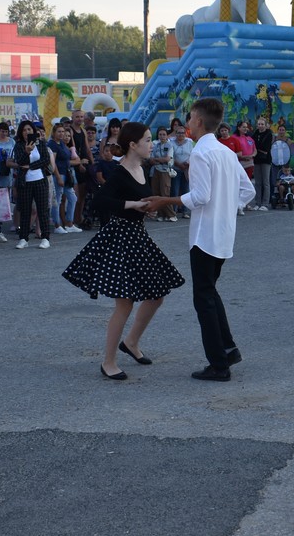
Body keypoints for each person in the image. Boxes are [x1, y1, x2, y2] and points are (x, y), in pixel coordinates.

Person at [143, 97, 255, 381]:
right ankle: (227, 350)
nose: (187, 123)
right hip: (223, 233)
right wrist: (228, 209)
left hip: (205, 236)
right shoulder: (226, 153)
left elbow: (201, 197)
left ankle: (219, 364)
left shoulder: (203, 153)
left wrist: (163, 200)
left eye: (190, 118)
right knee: (210, 292)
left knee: (203, 297)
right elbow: (247, 191)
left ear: (200, 122)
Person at [62, 122, 186, 381]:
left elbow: (141, 200)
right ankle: (108, 361)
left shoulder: (143, 168)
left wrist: (147, 207)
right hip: (120, 238)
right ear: (133, 144)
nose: (152, 144)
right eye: (148, 140)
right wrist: (133, 204)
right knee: (125, 303)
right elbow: (100, 201)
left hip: (138, 236)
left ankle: (130, 342)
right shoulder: (119, 171)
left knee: (157, 295)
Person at [12, 120, 53, 249]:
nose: (26, 132)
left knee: (42, 210)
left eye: (29, 130)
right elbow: (19, 162)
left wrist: (30, 166)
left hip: (40, 180)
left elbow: (46, 160)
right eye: (24, 130)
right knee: (25, 210)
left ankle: (45, 237)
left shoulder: (40, 143)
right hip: (25, 182)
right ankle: (23, 238)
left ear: (33, 131)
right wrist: (27, 151)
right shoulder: (19, 145)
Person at [148, 127, 177, 221]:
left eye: (164, 134)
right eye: (160, 134)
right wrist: (159, 160)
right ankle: (161, 214)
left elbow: (167, 159)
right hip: (155, 171)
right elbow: (151, 159)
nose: (162, 136)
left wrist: (158, 160)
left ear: (167, 135)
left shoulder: (170, 145)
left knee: (165, 193)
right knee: (157, 193)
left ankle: (171, 214)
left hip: (165, 171)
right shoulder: (155, 145)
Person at [252, 117, 273, 211]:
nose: (260, 126)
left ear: (265, 125)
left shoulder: (269, 134)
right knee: (258, 182)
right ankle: (258, 202)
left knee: (265, 182)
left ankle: (265, 203)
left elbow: (266, 148)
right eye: (259, 124)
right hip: (256, 160)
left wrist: (257, 148)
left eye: (262, 124)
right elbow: (252, 145)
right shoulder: (255, 134)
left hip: (265, 160)